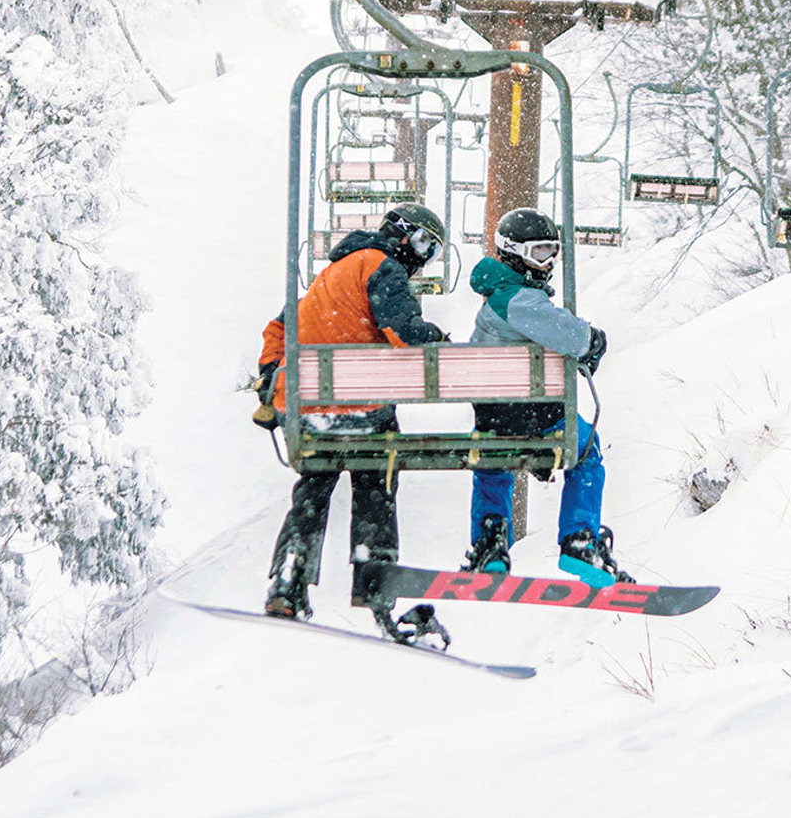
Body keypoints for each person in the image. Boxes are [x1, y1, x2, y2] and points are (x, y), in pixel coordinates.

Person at [255, 203, 448, 619]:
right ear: (402, 235)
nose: (423, 258)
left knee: (313, 489)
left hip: (311, 413)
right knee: (376, 477)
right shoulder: (382, 267)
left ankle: (289, 577)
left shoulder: (331, 275)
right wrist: (440, 341)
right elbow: (405, 334)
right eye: (424, 245)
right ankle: (373, 574)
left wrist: (272, 380)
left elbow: (278, 329)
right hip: (363, 411)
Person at [462, 207, 633, 587]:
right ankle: (579, 540)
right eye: (539, 253)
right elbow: (569, 334)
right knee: (586, 450)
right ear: (514, 251)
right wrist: (593, 340)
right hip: (533, 417)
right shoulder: (517, 299)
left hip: (491, 420)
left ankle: (491, 545)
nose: (548, 262)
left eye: (552, 252)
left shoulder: (497, 297)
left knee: (493, 461)